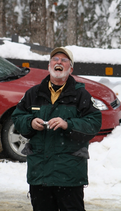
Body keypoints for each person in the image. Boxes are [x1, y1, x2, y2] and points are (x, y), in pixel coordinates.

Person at [12, 47, 102, 211]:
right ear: (49, 65)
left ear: (70, 69)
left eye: (64, 60)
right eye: (55, 59)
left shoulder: (81, 95)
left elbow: (94, 123)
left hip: (69, 175)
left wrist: (68, 124)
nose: (59, 62)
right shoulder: (34, 93)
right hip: (39, 175)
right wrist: (30, 122)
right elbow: (17, 118)